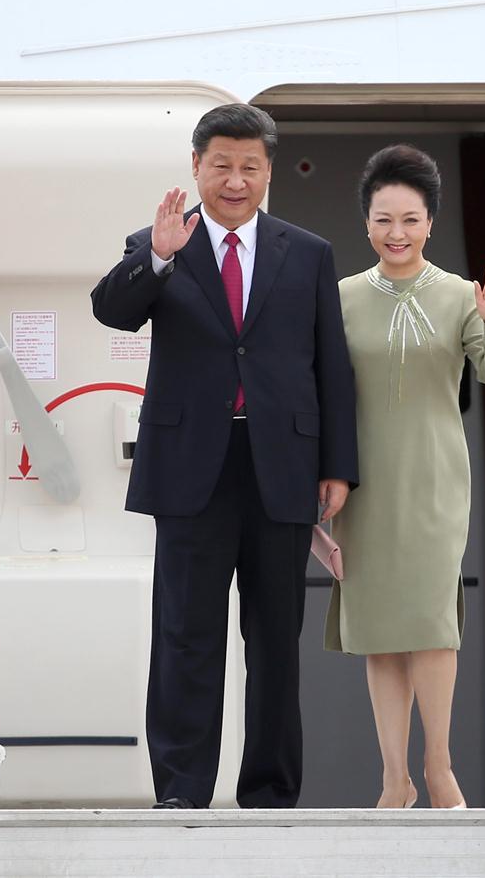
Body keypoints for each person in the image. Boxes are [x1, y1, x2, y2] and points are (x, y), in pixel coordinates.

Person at [91, 103, 358, 809]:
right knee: (186, 635)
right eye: (221, 166)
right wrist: (157, 254)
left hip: (282, 467)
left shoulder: (306, 251)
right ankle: (181, 790)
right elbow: (112, 309)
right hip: (190, 468)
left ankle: (269, 790)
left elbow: (329, 366)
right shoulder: (160, 242)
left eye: (249, 167)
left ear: (268, 171)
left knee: (274, 640)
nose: (235, 180)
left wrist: (337, 466)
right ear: (195, 166)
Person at [324, 144, 485, 809]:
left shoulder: (462, 294)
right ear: (366, 222)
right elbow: (318, 390)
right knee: (380, 629)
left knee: (432, 623)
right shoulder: (340, 296)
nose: (397, 233)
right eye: (383, 219)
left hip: (435, 478)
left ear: (431, 220)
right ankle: (393, 777)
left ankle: (438, 768)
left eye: (410, 218)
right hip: (363, 482)